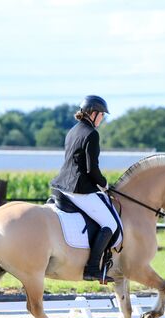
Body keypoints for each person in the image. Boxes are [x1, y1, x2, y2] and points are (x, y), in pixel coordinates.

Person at [50, 95, 117, 283]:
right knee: (110, 224)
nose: (102, 118)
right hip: (78, 189)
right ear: (93, 113)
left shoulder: (72, 131)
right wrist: (104, 185)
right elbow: (91, 169)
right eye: (102, 114)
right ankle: (92, 269)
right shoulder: (91, 134)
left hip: (61, 186)